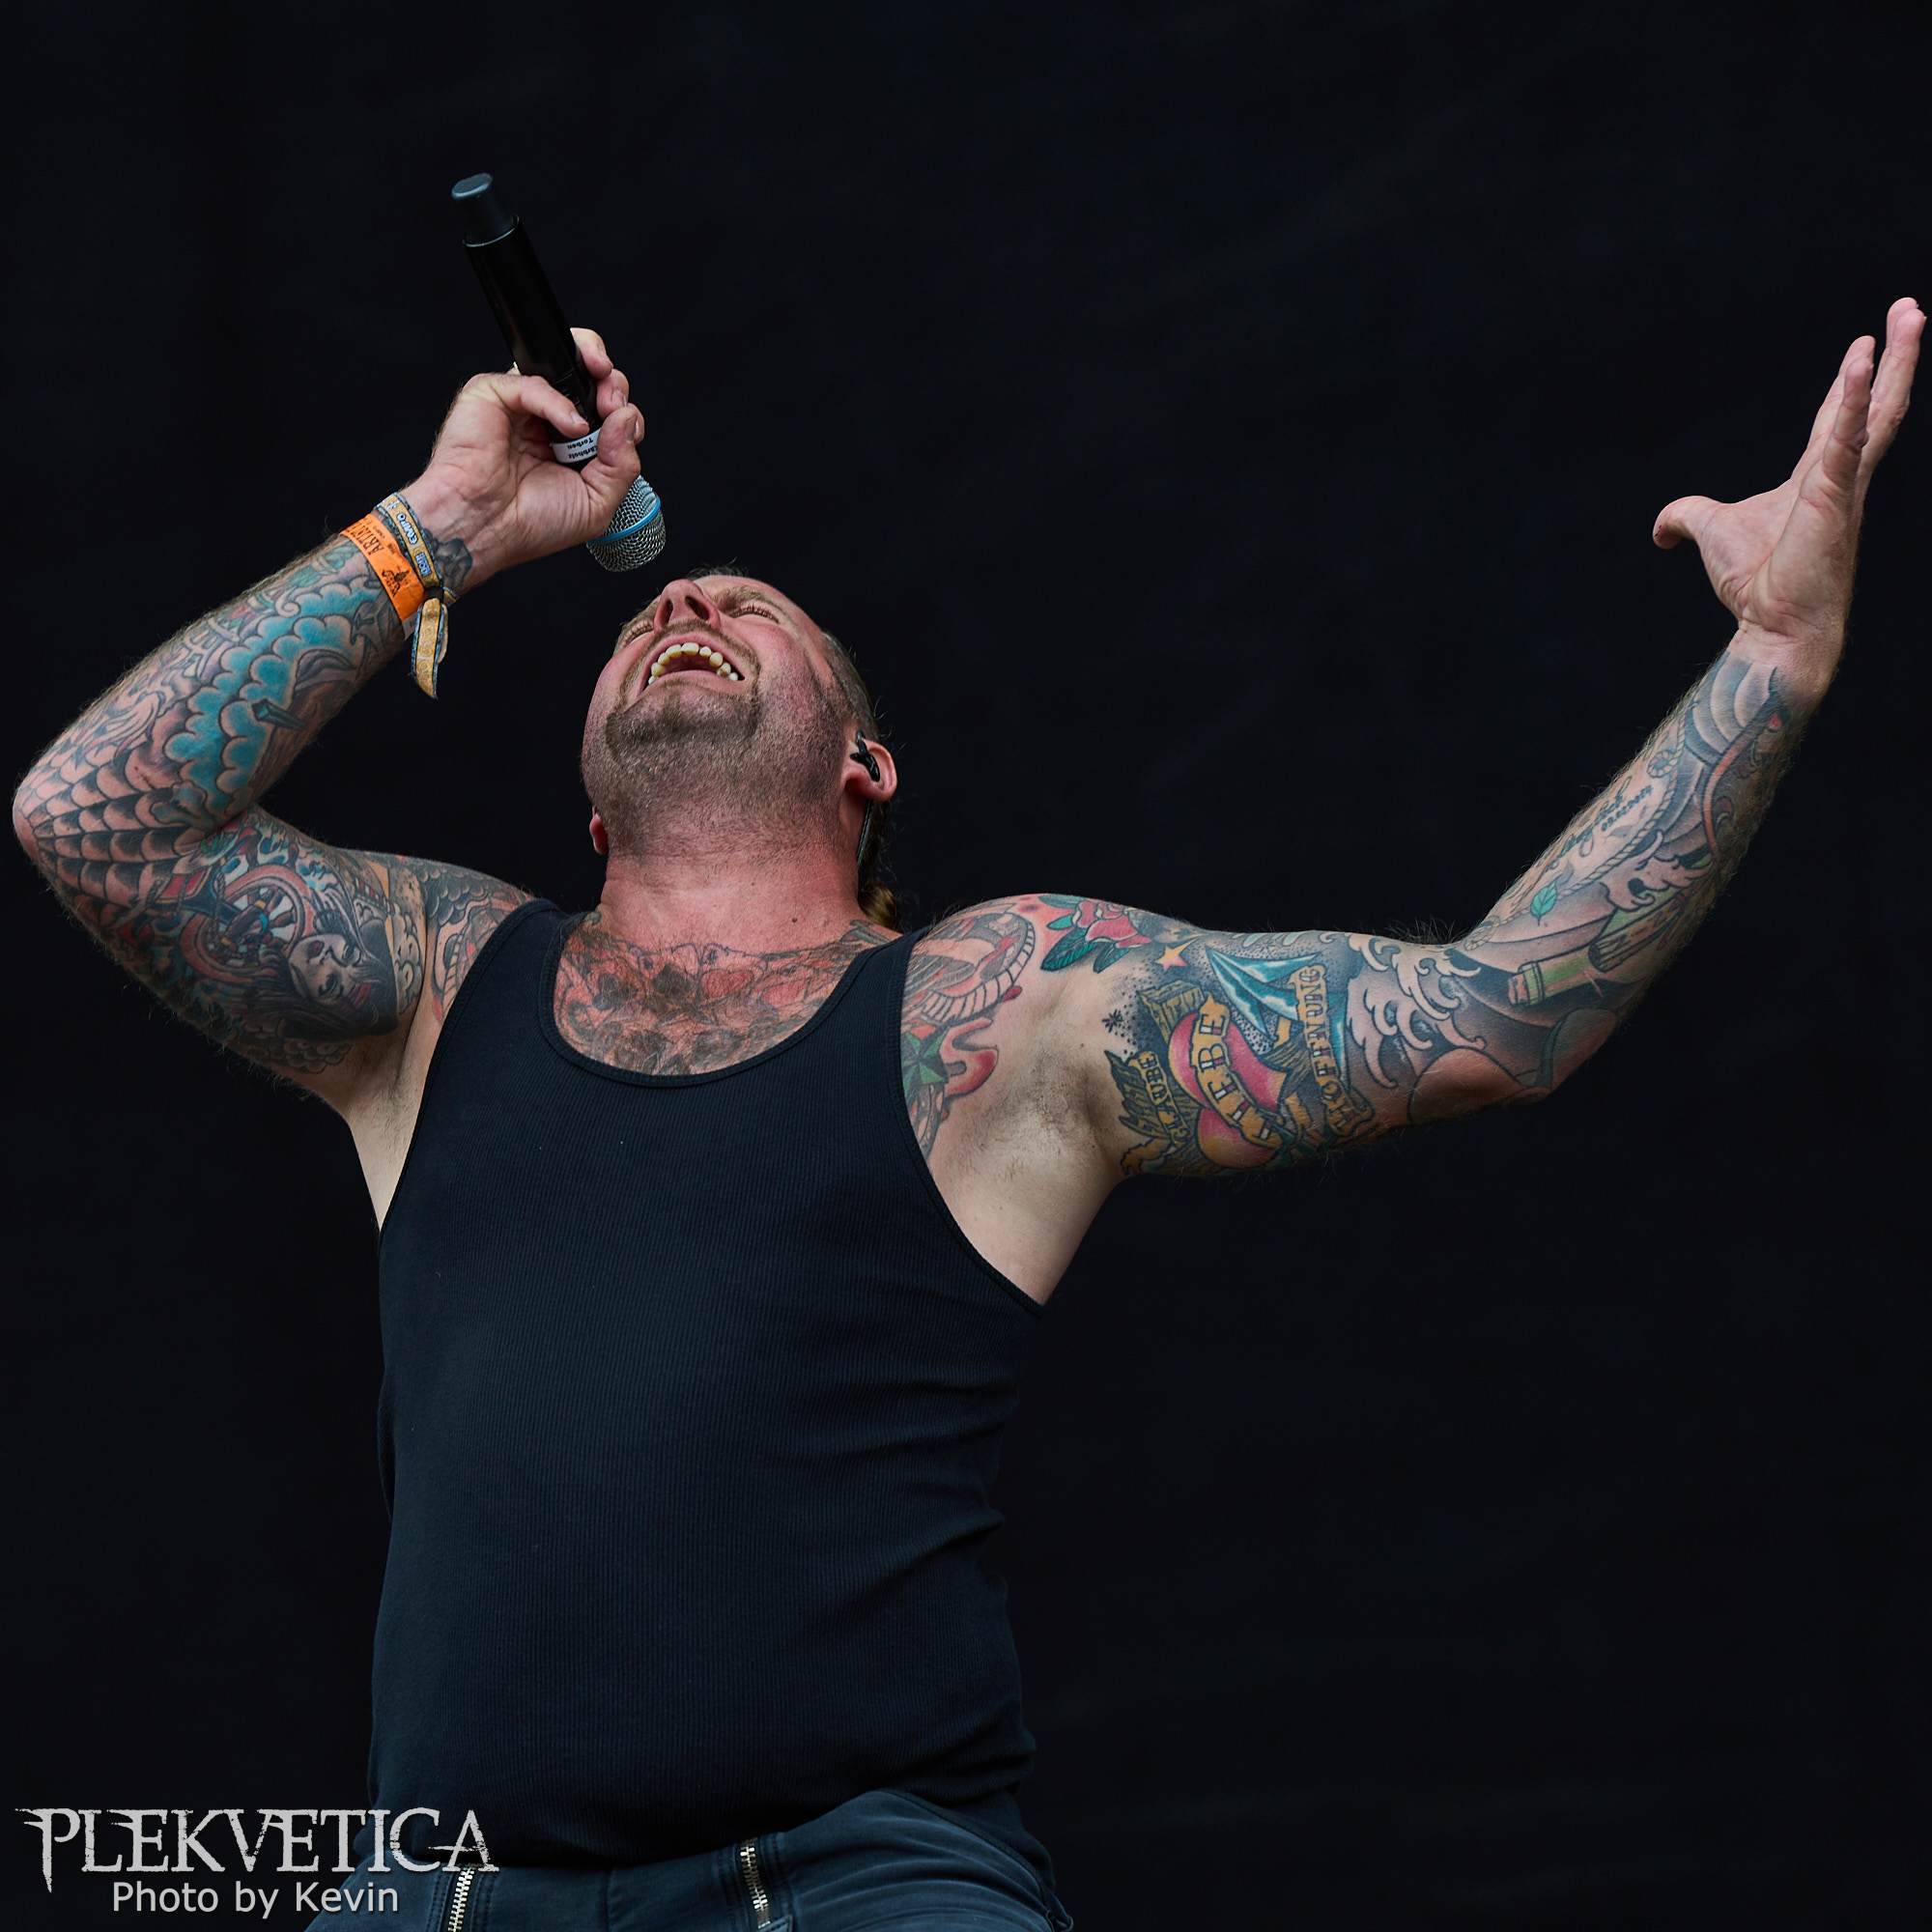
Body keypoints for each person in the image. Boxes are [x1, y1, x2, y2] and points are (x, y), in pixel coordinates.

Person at [13, 298, 1920, 1932]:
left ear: (866, 763)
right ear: (590, 801)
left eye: (752, 608)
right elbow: (91, 820)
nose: (687, 595)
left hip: (859, 1879)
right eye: (657, 607)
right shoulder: (436, 987)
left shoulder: (993, 1014)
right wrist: (437, 527)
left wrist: (1771, 660)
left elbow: (1494, 1011)